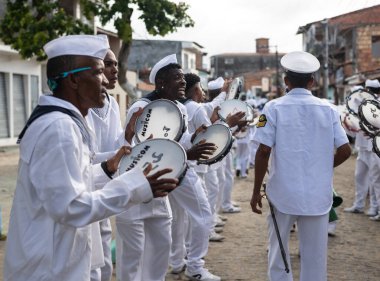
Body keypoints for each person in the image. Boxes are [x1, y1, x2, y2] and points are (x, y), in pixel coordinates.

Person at [4, 35, 178, 281]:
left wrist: (107, 168)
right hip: (49, 269)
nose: (106, 79)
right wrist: (137, 187)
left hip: (56, 263)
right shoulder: (59, 128)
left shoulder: (65, 122)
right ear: (74, 79)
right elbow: (71, 207)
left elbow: (71, 181)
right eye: (98, 72)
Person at [250, 51, 351, 281]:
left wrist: (256, 190)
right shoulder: (329, 109)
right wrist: (323, 169)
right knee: (315, 259)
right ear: (312, 81)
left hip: (282, 193)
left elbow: (263, 150)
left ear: (286, 81)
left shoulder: (271, 108)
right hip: (318, 195)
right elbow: (346, 150)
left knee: (278, 254)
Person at [86, 47, 124, 281]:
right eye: (107, 65)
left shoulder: (111, 102)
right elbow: (87, 158)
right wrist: (117, 156)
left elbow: (116, 141)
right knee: (89, 253)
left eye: (115, 64)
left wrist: (129, 140)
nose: (114, 70)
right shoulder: (82, 107)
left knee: (103, 240)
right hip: (88, 187)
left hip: (105, 186)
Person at [344, 79, 380, 216]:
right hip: (362, 147)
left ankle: (374, 208)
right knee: (359, 176)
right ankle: (359, 205)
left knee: (374, 180)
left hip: (373, 149)